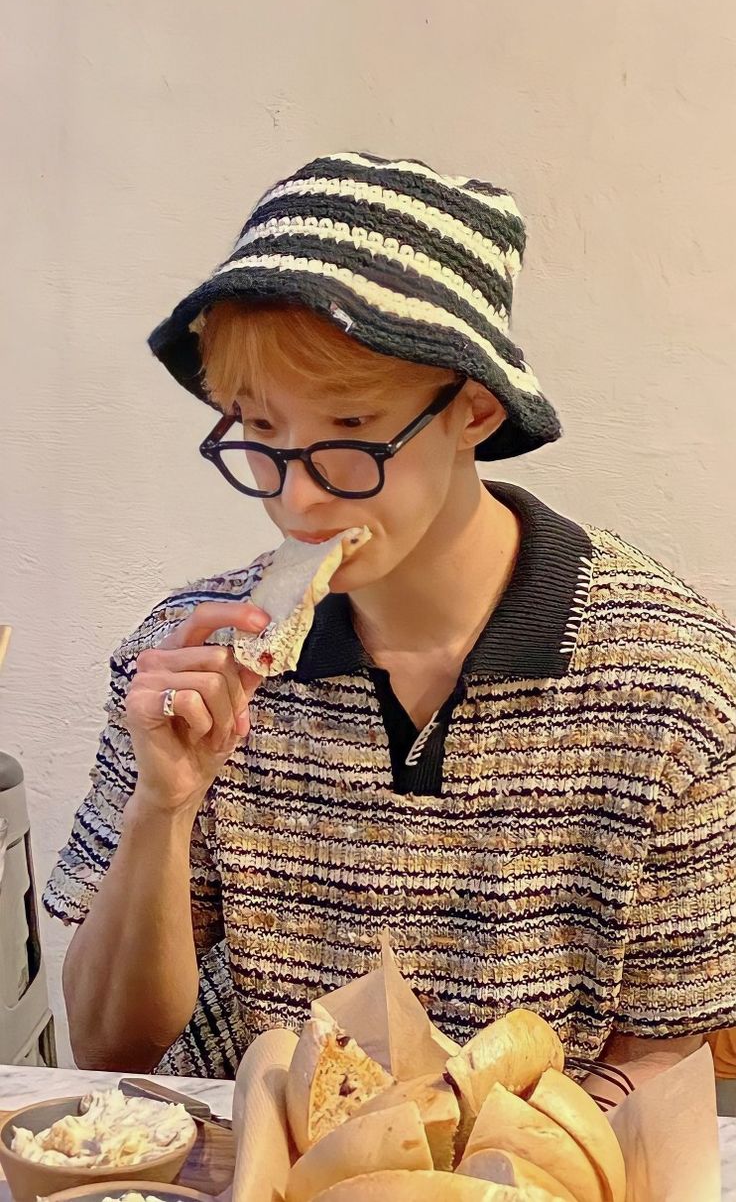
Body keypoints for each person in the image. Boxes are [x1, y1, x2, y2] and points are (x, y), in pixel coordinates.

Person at [45, 151, 736, 1106]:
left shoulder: (671, 678)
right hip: (246, 1153)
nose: (296, 497)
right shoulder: (191, 658)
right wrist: (164, 806)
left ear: (474, 409)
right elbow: (110, 1047)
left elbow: (667, 1048)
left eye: (350, 429)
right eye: (258, 432)